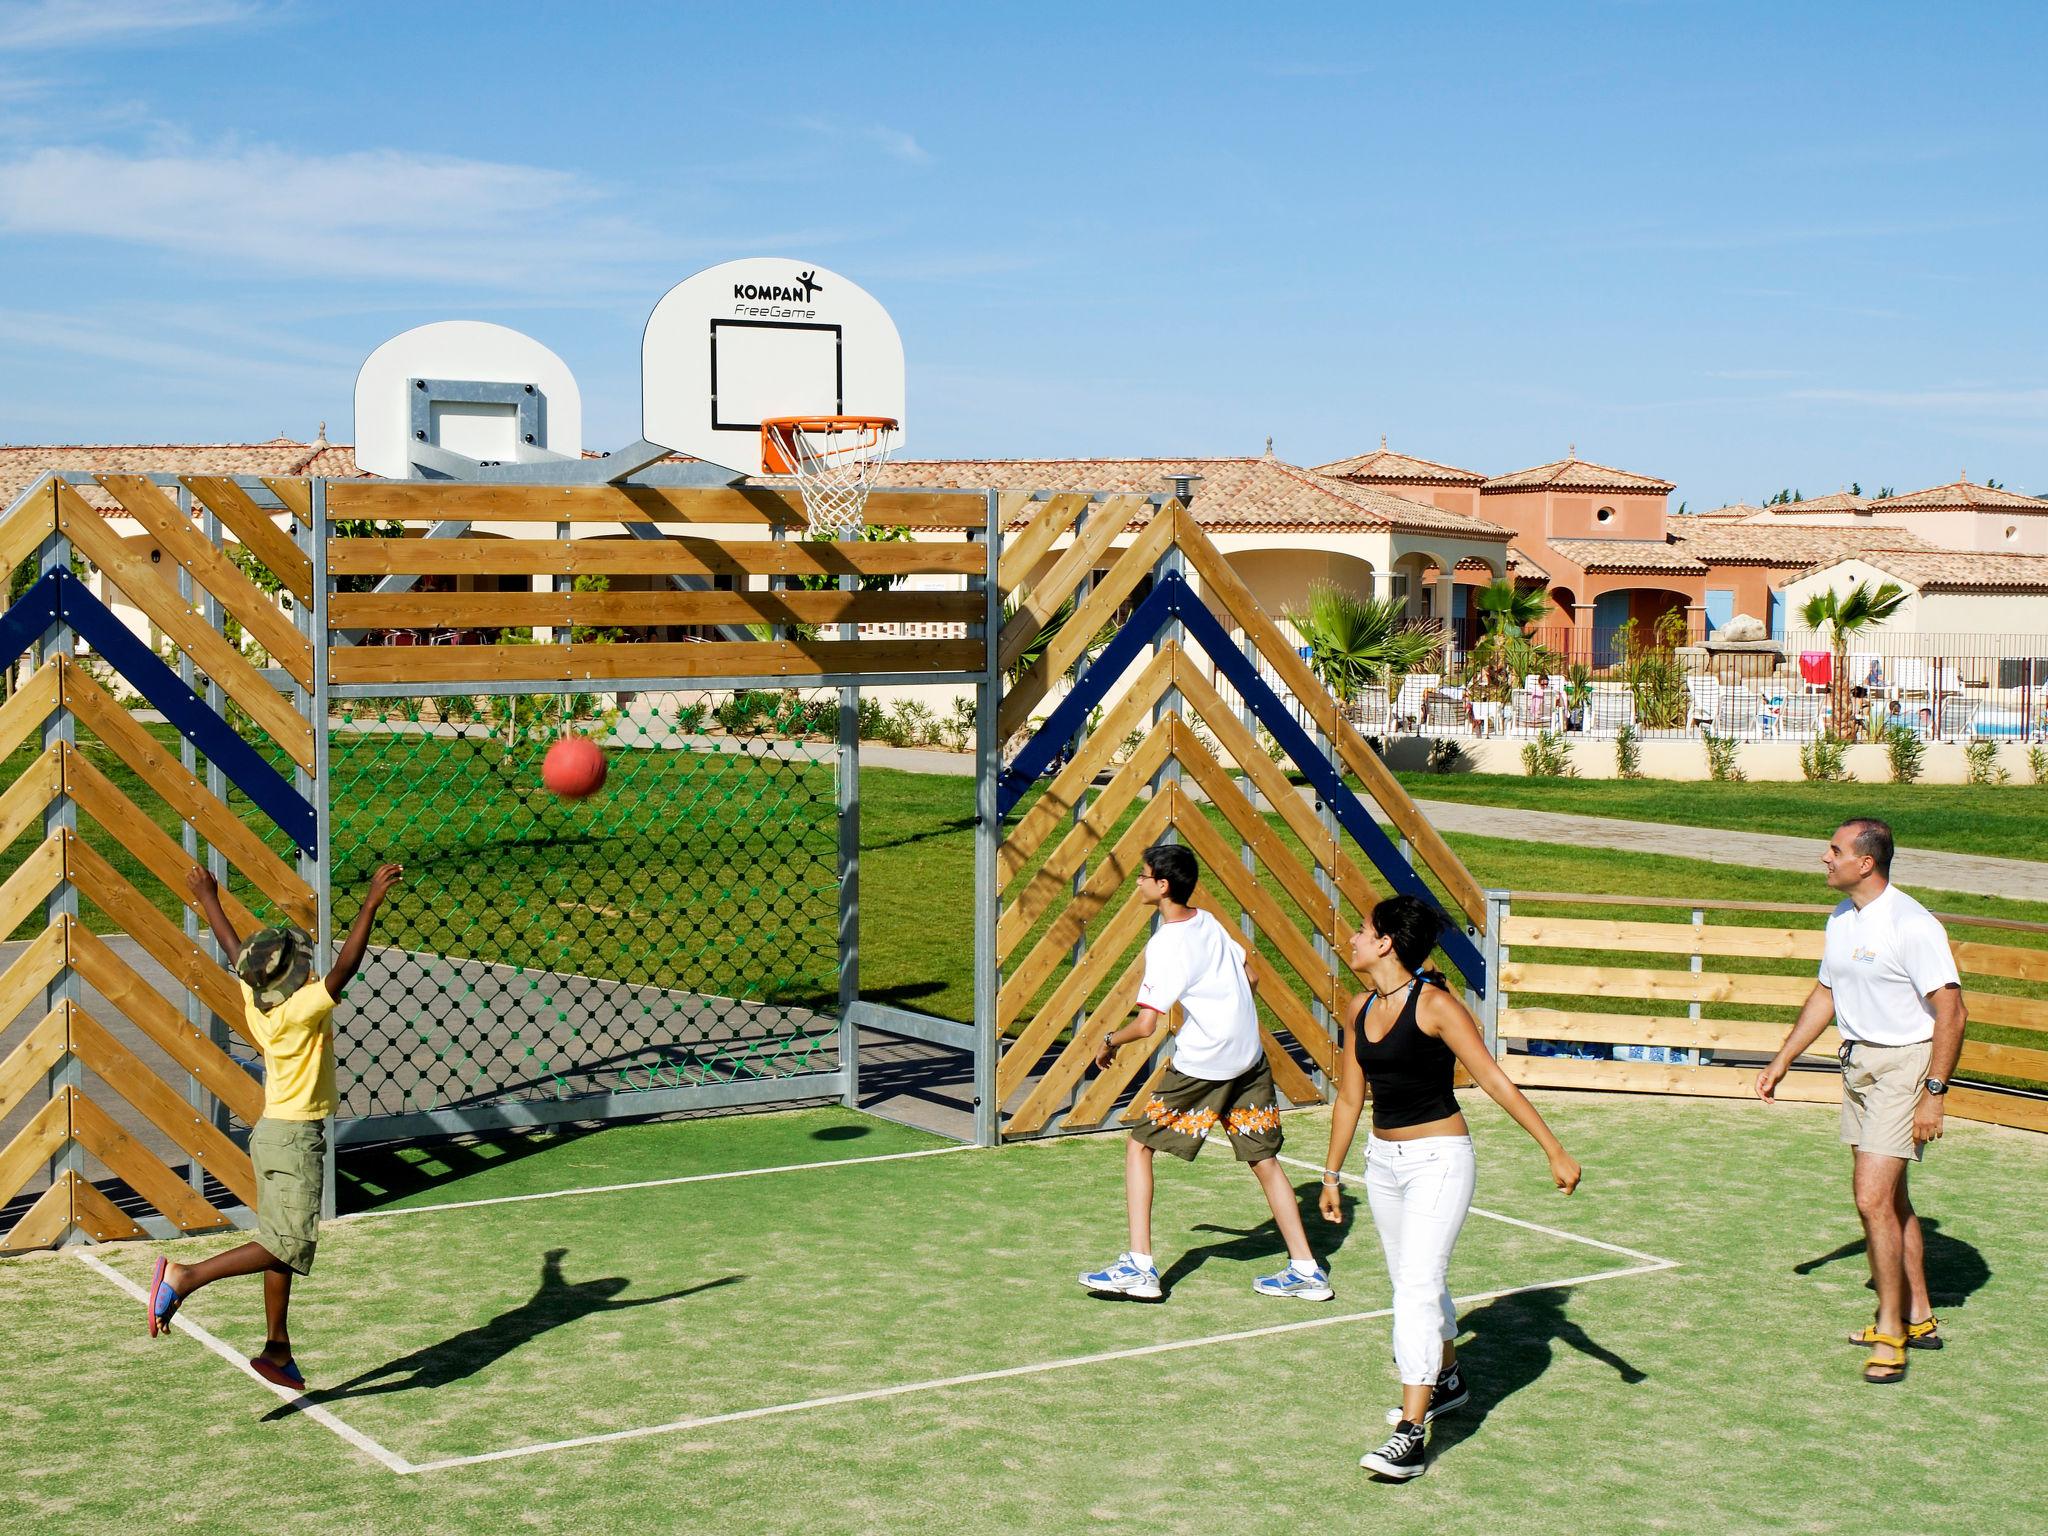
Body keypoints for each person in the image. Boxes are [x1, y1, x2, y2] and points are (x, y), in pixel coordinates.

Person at [1318, 893, 1582, 1481]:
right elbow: (1350, 1098)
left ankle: (1411, 1433)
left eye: (1363, 930)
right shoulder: (1359, 1008)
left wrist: (1553, 1147)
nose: (1355, 938)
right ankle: (1449, 1379)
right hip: (1382, 1163)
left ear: (1386, 942)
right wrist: (1333, 1174)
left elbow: (1490, 1076)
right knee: (1411, 1280)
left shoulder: (1436, 1006)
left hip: (1439, 1160)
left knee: (1416, 1286)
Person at [146, 862, 405, 1389]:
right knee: (288, 1243)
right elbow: (346, 969)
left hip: (270, 1134)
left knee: (277, 1239)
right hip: (294, 1138)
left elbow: (232, 945)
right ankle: (185, 1277)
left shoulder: (258, 1001)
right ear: (295, 979)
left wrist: (207, 897)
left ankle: (277, 1348)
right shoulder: (303, 1009)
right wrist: (371, 903)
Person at [1756, 818, 1965, 1384]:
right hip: (1859, 1067)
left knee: (1871, 1200)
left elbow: (1952, 1011)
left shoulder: (1911, 924)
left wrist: (1934, 1094)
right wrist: (1783, 1059)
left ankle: (1890, 1332)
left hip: (1905, 1067)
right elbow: (1826, 993)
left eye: (1834, 851)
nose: (1825, 859)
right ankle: (1918, 1316)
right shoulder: (1842, 919)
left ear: (1865, 863)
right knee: (1891, 1200)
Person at [1078, 843, 1332, 1305]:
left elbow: (1147, 1024)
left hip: (1204, 1067)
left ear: (1163, 886)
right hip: (1248, 1060)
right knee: (1264, 1161)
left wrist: (1110, 1040)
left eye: (1143, 876)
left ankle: (1139, 1267)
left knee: (1138, 1146)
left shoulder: (1165, 944)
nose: (1137, 882)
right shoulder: (1210, 922)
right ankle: (1306, 1269)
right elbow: (1250, 978)